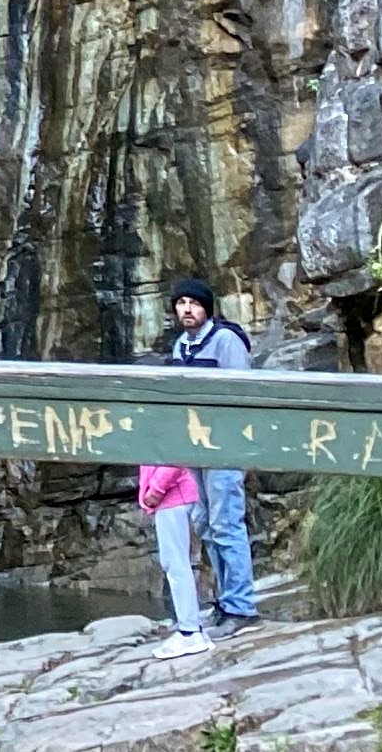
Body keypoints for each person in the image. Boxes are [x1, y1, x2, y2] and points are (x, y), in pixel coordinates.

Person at [166, 278, 257, 636]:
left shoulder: (226, 340)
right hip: (194, 447)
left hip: (224, 445)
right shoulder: (181, 346)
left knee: (227, 522)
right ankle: (224, 601)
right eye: (181, 303)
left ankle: (241, 606)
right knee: (204, 523)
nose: (187, 309)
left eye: (194, 303)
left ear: (207, 308)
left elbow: (243, 392)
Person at [137, 461, 211, 657]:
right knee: (176, 563)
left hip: (172, 497)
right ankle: (191, 628)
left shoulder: (163, 430)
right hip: (171, 498)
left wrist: (157, 489)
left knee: (176, 565)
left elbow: (176, 458)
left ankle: (190, 633)